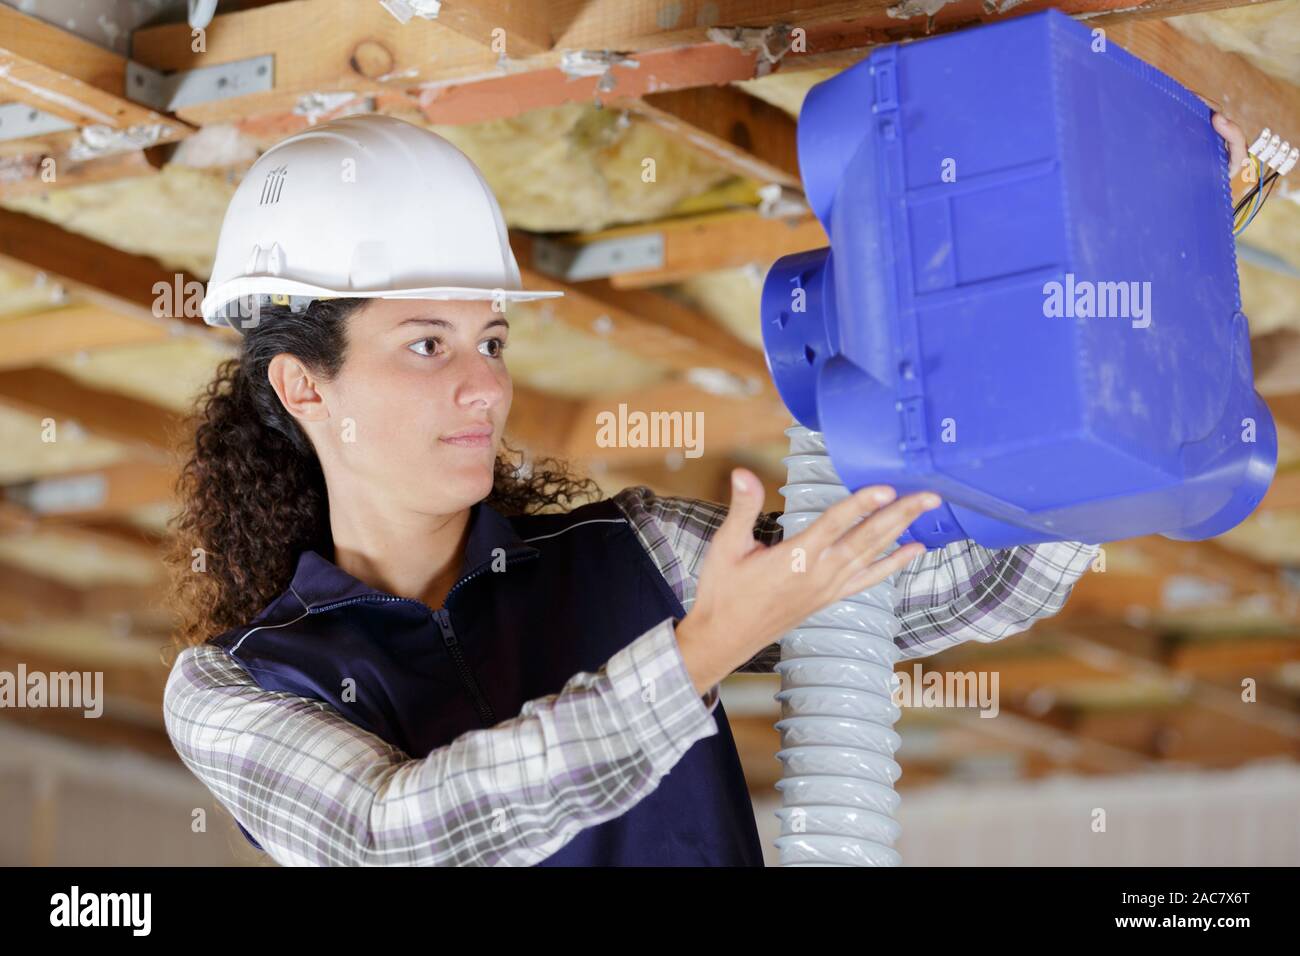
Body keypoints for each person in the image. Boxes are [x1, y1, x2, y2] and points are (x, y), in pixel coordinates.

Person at [160, 111, 1242, 867]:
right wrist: (696, 655)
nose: (485, 380)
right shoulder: (238, 689)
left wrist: (1128, 306)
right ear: (303, 382)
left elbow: (937, 585)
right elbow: (401, 838)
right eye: (426, 342)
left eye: (491, 336)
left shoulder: (630, 553)